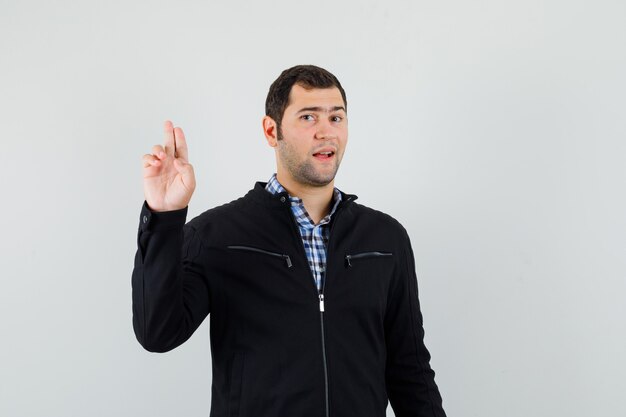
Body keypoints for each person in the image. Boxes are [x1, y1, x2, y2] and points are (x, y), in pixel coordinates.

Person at [132, 65, 447, 417]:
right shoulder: (218, 235)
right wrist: (164, 217)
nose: (325, 132)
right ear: (272, 131)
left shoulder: (386, 239)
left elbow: (410, 373)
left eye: (336, 118)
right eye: (308, 117)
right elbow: (157, 333)